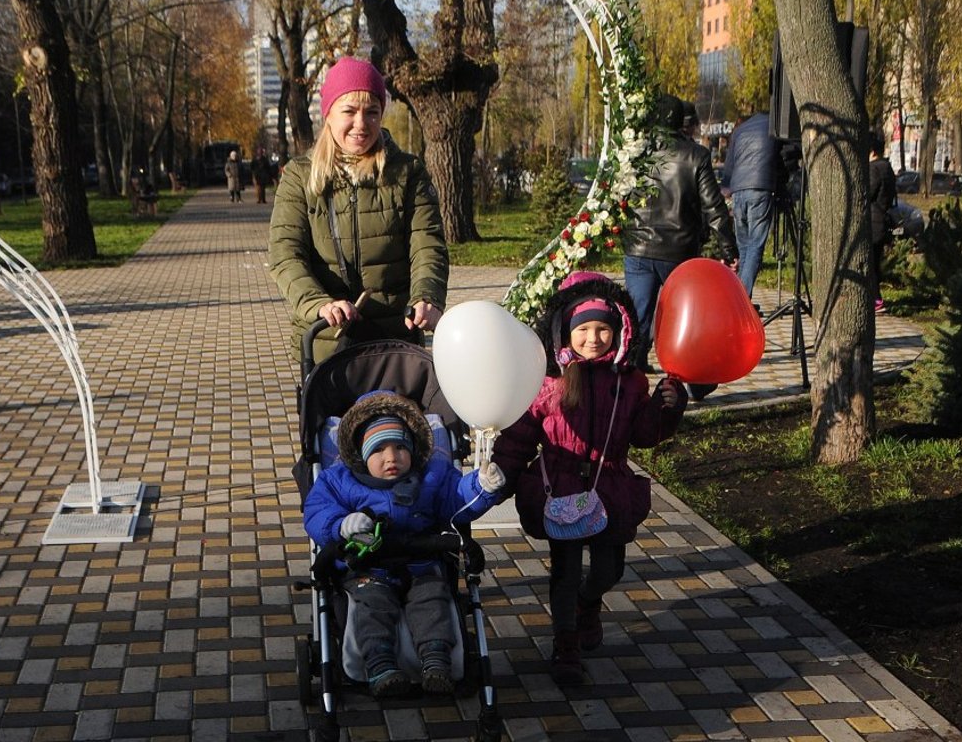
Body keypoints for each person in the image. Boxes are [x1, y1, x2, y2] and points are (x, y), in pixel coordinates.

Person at [492, 272, 687, 686]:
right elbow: (521, 434)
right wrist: (502, 473)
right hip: (560, 488)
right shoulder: (548, 384)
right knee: (564, 569)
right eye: (583, 330)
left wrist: (668, 409)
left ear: (620, 332)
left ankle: (589, 600)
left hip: (609, 488)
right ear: (566, 332)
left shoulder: (630, 383)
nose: (593, 338)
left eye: (603, 329)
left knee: (608, 569)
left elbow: (644, 433)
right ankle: (566, 642)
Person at [302, 390, 506, 697]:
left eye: (400, 447)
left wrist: (482, 485)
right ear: (360, 453)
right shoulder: (339, 480)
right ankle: (380, 665)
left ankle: (436, 662)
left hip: (421, 560)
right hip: (368, 566)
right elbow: (317, 511)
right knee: (372, 606)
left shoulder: (432, 476)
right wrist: (342, 524)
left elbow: (457, 497)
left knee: (432, 600)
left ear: (413, 448)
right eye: (379, 449)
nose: (391, 457)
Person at [270, 56, 448, 364]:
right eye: (349, 111)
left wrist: (426, 296)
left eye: (372, 112)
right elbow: (285, 255)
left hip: (395, 342)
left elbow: (427, 246)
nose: (361, 124)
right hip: (326, 342)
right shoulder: (300, 176)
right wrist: (319, 304)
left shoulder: (408, 173)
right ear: (328, 114)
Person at [623, 95, 736, 401]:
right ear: (680, 122)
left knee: (637, 319)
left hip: (638, 248)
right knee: (685, 319)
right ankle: (696, 380)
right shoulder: (696, 155)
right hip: (679, 252)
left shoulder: (635, 155)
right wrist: (729, 249)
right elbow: (714, 208)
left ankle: (627, 387)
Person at [719, 110, 782, 298]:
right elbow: (786, 155)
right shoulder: (775, 127)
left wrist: (726, 188)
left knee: (744, 246)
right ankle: (742, 298)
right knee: (755, 244)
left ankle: (738, 295)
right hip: (760, 187)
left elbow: (728, 165)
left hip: (738, 190)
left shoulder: (740, 130)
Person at [867, 134, 897, 314]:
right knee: (875, 263)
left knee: (869, 264)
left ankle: (876, 299)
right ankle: (877, 298)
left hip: (872, 220)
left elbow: (867, 193)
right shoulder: (888, 168)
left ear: (871, 152)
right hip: (883, 219)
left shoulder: (873, 169)